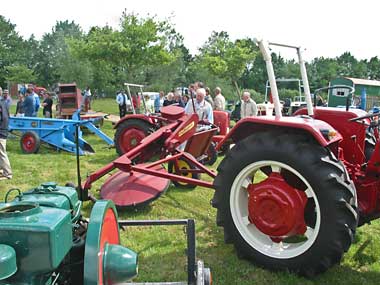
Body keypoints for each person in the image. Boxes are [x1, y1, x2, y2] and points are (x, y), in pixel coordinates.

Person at [0, 99, 12, 180]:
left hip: (1, 131)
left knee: (2, 152)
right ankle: (2, 170)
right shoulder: (4, 103)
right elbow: (8, 116)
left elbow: (3, 118)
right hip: (4, 129)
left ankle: (8, 173)